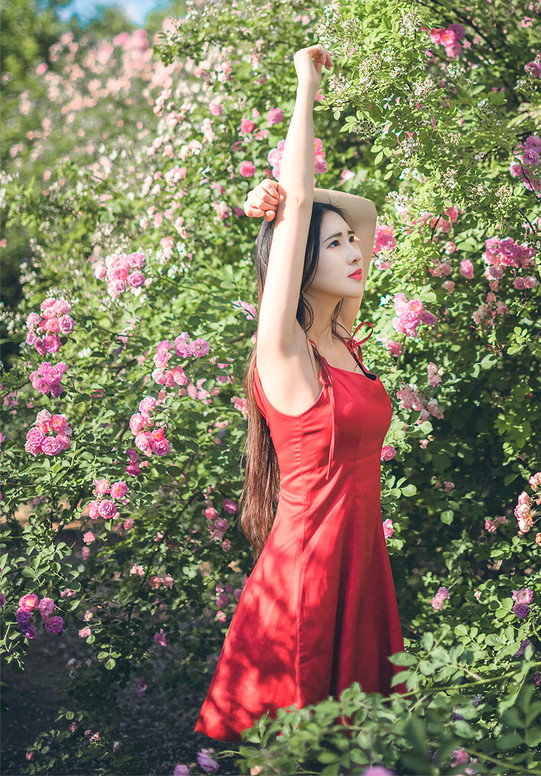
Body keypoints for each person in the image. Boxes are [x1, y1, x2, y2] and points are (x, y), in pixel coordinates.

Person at [195, 43, 405, 742]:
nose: (355, 251)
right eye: (336, 243)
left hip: (360, 564)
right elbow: (301, 221)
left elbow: (367, 209)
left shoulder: (343, 338)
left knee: (349, 747)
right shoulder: (284, 351)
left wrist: (298, 206)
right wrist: (304, 88)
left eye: (352, 244)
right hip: (309, 574)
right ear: (300, 260)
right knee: (289, 747)